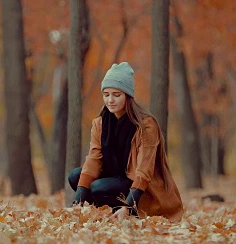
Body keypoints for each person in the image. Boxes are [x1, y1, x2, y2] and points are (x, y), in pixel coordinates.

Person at [68, 62, 184, 222]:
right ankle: (111, 213)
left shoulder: (146, 125)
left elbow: (144, 171)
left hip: (141, 188)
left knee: (97, 187)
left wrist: (128, 206)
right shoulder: (100, 123)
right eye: (106, 94)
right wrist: (78, 197)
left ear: (128, 96)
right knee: (76, 176)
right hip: (115, 178)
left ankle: (128, 212)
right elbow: (94, 158)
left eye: (116, 95)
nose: (110, 100)